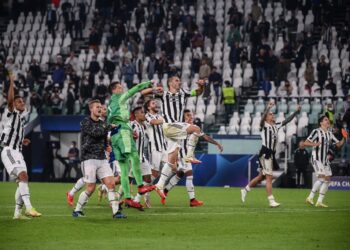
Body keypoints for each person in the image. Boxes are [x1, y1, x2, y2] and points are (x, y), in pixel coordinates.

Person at [140, 76, 205, 198]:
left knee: (171, 161)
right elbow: (143, 93)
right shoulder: (163, 94)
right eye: (176, 80)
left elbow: (198, 92)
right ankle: (189, 156)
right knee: (196, 129)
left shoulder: (183, 93)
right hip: (170, 126)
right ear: (170, 83)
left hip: (176, 130)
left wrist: (201, 86)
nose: (179, 82)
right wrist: (153, 89)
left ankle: (159, 185)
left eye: (179, 80)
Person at [72, 99, 126, 219]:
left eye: (101, 107)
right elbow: (95, 133)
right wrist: (109, 127)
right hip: (88, 158)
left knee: (111, 184)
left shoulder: (103, 123)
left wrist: (107, 144)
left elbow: (103, 136)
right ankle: (77, 210)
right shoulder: (85, 122)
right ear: (91, 109)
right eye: (97, 107)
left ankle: (116, 212)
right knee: (90, 188)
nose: (100, 109)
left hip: (101, 159)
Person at [240, 102, 301, 207]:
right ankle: (271, 200)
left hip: (271, 153)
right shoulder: (264, 125)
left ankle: (245, 190)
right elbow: (262, 119)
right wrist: (268, 108)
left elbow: (287, 120)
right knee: (269, 177)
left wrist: (296, 112)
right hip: (265, 152)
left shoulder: (276, 126)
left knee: (261, 177)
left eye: (273, 114)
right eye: (271, 114)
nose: (273, 115)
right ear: (267, 118)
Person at [107, 81, 156, 210]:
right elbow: (134, 90)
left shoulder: (110, 104)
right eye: (119, 87)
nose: (122, 89)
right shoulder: (119, 98)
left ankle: (128, 198)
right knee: (134, 156)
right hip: (122, 130)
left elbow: (108, 121)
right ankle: (140, 186)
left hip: (114, 134)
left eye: (121, 87)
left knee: (124, 170)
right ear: (114, 90)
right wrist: (147, 84)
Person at [161, 110, 223, 206]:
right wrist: (174, 157)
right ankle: (192, 200)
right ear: (183, 117)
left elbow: (205, 137)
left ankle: (165, 190)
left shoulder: (193, 128)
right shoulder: (179, 127)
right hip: (181, 155)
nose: (191, 117)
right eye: (188, 115)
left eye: (191, 115)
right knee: (189, 175)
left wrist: (216, 143)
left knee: (180, 174)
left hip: (185, 155)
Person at [0, 76, 41, 219]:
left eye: (23, 101)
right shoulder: (11, 111)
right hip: (9, 150)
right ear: (14, 104)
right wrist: (11, 82)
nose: (22, 103)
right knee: (23, 176)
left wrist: (22, 140)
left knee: (23, 179)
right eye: (19, 101)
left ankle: (17, 213)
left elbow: (12, 132)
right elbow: (10, 99)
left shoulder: (19, 118)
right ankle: (29, 208)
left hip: (17, 150)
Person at [304, 116, 346, 207]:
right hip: (317, 158)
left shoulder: (329, 134)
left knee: (327, 180)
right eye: (325, 120)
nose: (328, 121)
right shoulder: (316, 131)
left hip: (325, 160)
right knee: (322, 178)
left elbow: (338, 145)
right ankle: (310, 197)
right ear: (321, 123)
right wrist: (315, 144)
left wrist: (344, 137)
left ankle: (319, 201)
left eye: (328, 120)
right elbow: (305, 142)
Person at [130, 107, 153, 208]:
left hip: (142, 157)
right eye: (142, 113)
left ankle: (136, 200)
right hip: (133, 157)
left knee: (148, 179)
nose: (144, 114)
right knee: (125, 179)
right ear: (136, 115)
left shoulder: (143, 126)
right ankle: (115, 197)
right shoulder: (132, 125)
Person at [144, 99, 167, 182]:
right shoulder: (146, 116)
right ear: (149, 107)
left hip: (164, 147)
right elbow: (153, 122)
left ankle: (152, 187)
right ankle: (143, 191)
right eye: (153, 103)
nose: (156, 104)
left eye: (156, 103)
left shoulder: (159, 116)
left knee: (170, 169)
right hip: (154, 147)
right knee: (155, 172)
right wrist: (166, 120)